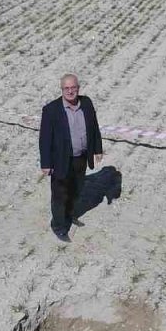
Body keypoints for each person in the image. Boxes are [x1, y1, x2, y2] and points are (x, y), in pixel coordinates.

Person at [39, 74, 104, 242]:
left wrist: (97, 149)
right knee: (60, 195)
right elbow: (45, 139)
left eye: (73, 87)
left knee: (76, 190)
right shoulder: (51, 110)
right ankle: (59, 226)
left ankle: (69, 215)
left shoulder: (87, 103)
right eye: (66, 88)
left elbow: (94, 127)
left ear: (78, 88)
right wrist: (46, 164)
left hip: (81, 157)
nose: (70, 91)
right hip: (61, 160)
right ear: (62, 90)